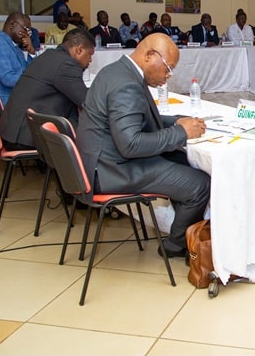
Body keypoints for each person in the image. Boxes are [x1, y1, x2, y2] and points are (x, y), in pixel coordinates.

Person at [76, 33, 211, 258]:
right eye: (168, 68)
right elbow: (131, 144)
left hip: (102, 159)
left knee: (181, 159)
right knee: (200, 184)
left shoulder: (116, 71)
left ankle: (188, 232)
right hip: (112, 169)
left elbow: (137, 118)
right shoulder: (126, 85)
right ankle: (176, 245)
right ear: (149, 56)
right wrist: (181, 132)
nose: (168, 76)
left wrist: (176, 122)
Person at [0, 28, 95, 151]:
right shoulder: (67, 64)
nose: (90, 60)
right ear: (79, 49)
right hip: (26, 136)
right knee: (94, 135)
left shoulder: (49, 55)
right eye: (90, 55)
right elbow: (86, 101)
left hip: (12, 130)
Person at [0, 12, 36, 105]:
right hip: (3, 102)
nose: (26, 34)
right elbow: (8, 79)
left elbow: (26, 71)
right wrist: (34, 80)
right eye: (25, 29)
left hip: (15, 98)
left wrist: (31, 51)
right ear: (12, 25)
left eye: (29, 32)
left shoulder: (14, 46)